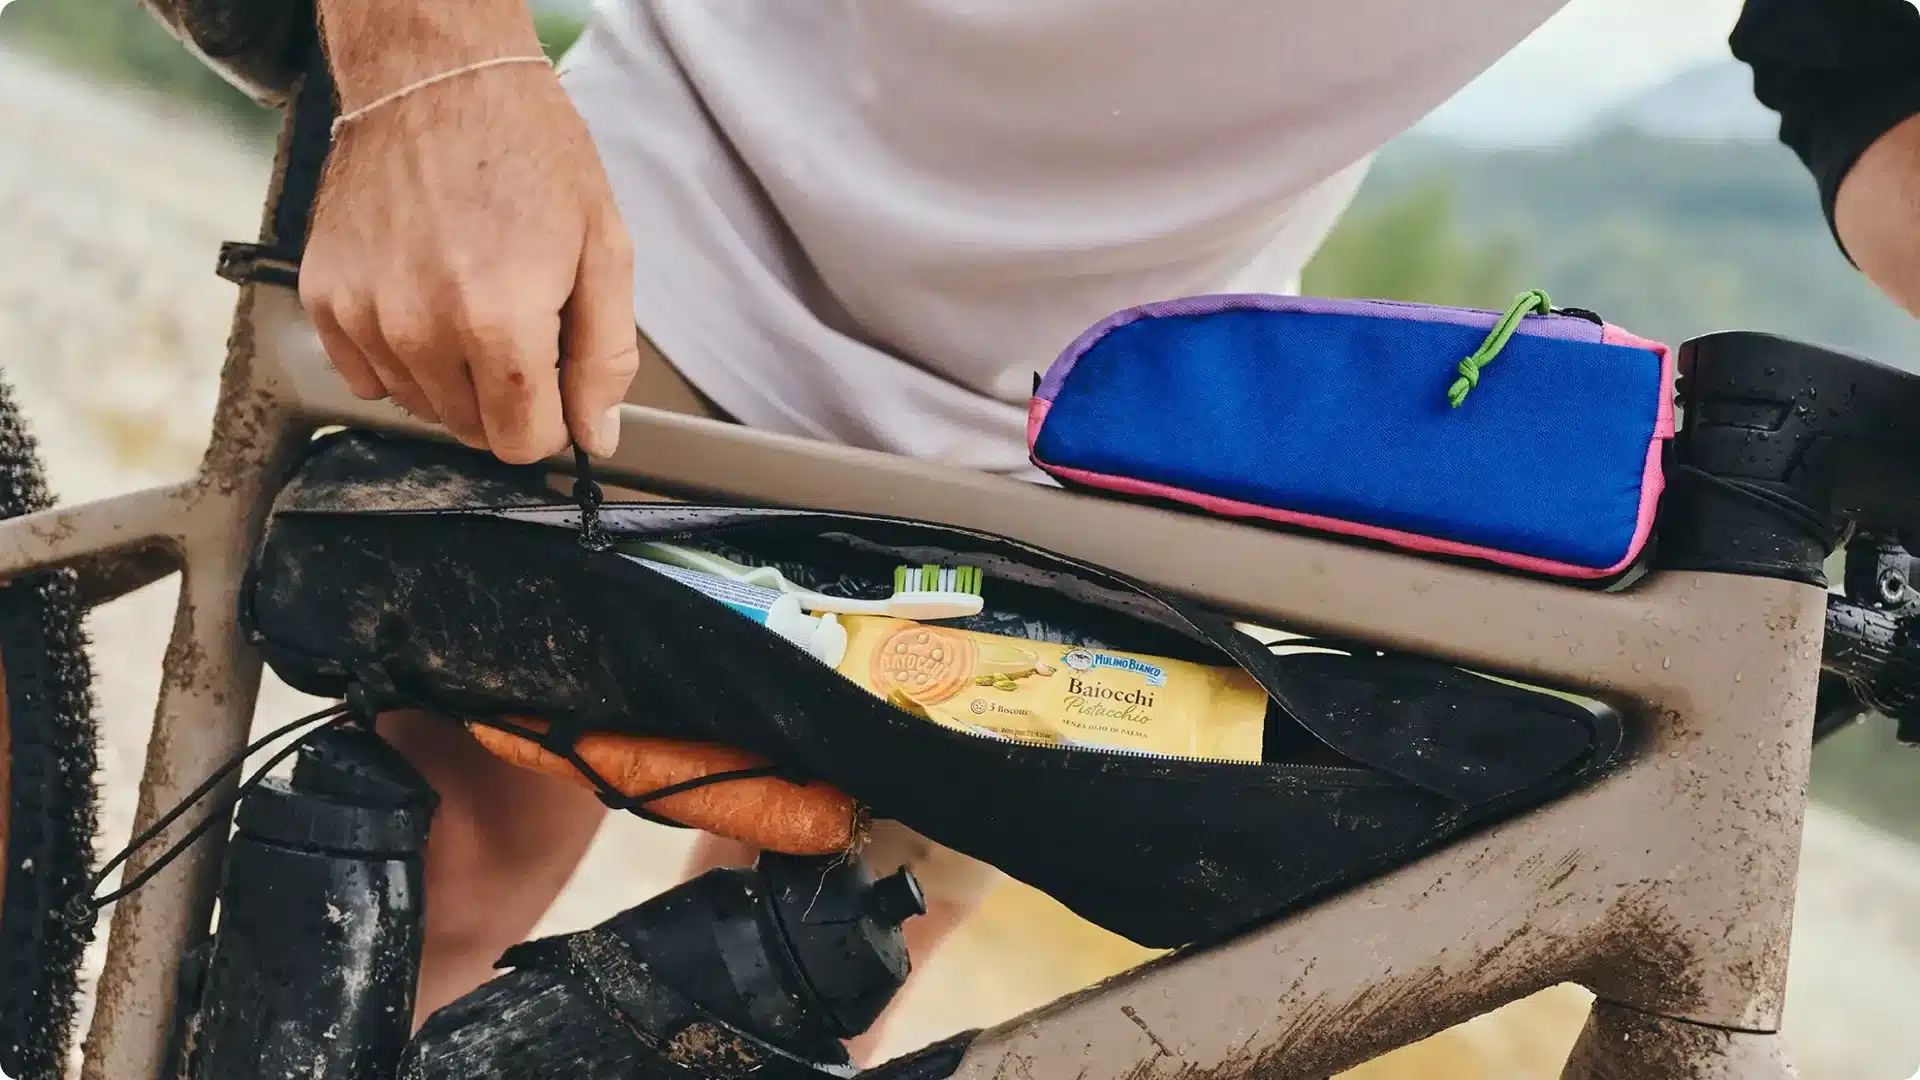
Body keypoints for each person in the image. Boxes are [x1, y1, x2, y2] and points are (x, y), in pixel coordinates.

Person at [297, 0, 1920, 1059]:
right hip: (667, 198)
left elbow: (1869, 82)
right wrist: (430, 68)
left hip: (1104, 414)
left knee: (802, 986)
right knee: (420, 890)